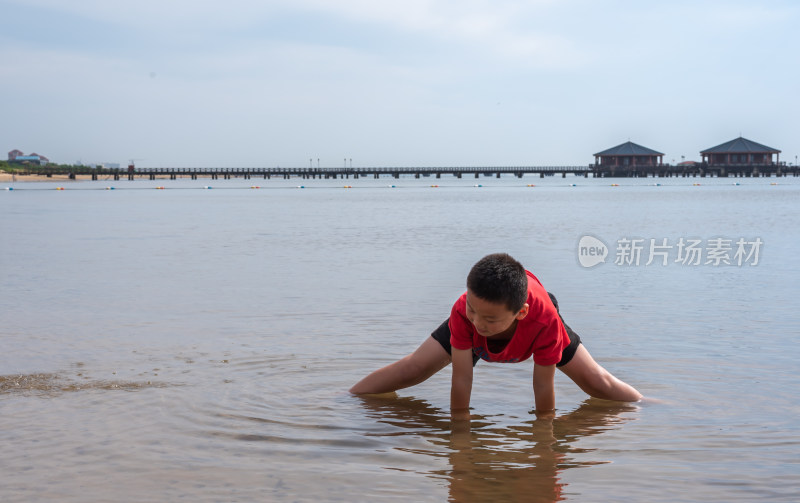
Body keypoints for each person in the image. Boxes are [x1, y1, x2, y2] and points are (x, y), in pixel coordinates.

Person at [349, 253, 642, 418]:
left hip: (537, 318)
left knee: (599, 384)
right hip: (487, 309)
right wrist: (460, 434)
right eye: (473, 311)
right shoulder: (465, 312)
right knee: (413, 369)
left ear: (521, 313)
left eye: (489, 319)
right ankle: (346, 398)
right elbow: (462, 379)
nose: (478, 323)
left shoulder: (544, 322)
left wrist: (544, 442)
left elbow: (543, 387)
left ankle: (650, 406)